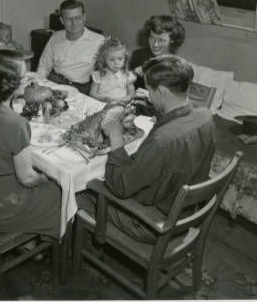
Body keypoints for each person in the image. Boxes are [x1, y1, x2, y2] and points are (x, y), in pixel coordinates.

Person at [77, 55, 216, 243]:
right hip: (186, 212)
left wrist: (116, 135)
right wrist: (158, 107)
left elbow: (120, 187)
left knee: (78, 191)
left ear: (162, 91)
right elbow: (177, 134)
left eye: (150, 91)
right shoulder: (205, 116)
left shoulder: (162, 140)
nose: (148, 95)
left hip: (152, 224)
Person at [0, 50, 61, 239]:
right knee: (60, 191)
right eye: (24, 77)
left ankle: (32, 242)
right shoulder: (15, 124)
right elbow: (27, 179)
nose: (28, 80)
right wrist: (46, 178)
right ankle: (47, 243)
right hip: (4, 204)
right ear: (8, 83)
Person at [36, 0, 104, 95]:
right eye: (69, 19)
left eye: (78, 18)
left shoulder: (99, 41)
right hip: (54, 83)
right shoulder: (55, 37)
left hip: (80, 89)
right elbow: (43, 67)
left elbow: (107, 71)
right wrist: (38, 84)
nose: (74, 23)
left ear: (84, 17)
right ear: (62, 20)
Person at [130, 15, 185, 90]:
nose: (155, 44)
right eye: (152, 37)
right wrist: (133, 74)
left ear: (172, 40)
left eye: (161, 40)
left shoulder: (176, 68)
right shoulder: (138, 55)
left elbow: (171, 99)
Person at [89, 37, 136, 103]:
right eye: (111, 60)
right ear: (105, 60)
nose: (116, 63)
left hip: (120, 105)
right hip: (102, 104)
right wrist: (105, 99)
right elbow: (92, 93)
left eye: (120, 59)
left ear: (125, 58)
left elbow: (131, 95)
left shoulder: (127, 75)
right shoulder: (99, 74)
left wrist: (118, 100)